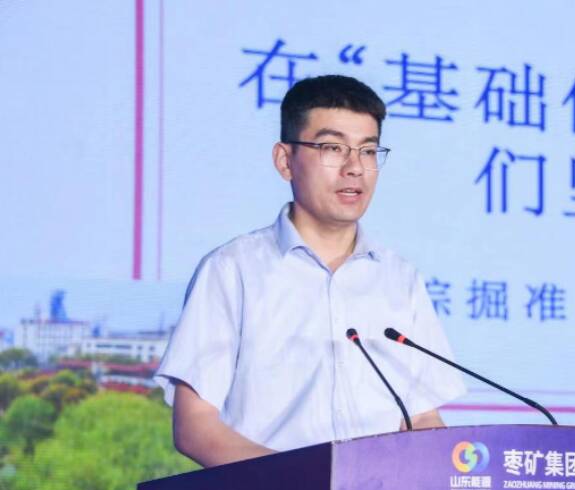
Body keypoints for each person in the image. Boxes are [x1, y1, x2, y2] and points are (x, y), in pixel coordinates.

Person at [155, 75, 466, 468]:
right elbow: (196, 426)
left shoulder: (400, 279)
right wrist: (305, 483)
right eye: (333, 148)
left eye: (368, 151)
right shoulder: (232, 271)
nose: (355, 168)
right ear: (285, 161)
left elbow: (421, 419)